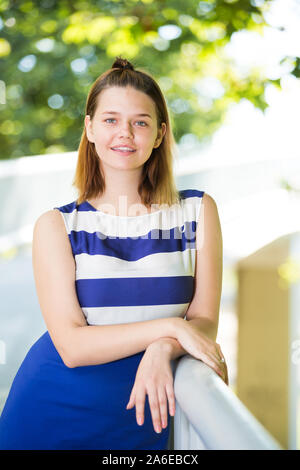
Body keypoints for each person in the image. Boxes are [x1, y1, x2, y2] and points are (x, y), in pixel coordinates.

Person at [0, 56, 228, 450]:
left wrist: (164, 347)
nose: (125, 132)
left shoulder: (197, 210)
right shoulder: (56, 226)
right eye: (110, 119)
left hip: (142, 414)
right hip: (50, 411)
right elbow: (72, 347)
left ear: (159, 134)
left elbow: (204, 320)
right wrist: (170, 327)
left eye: (140, 121)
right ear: (89, 128)